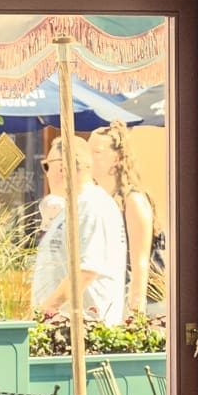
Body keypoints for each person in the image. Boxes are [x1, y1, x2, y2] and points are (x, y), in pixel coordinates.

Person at [30, 135, 126, 324]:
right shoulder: (75, 206)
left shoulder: (92, 205)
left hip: (85, 331)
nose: (46, 174)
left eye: (46, 166)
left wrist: (45, 311)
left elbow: (86, 271)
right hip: (65, 326)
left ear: (61, 168)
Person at [90, 121, 158, 316]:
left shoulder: (133, 200)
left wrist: (135, 315)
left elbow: (139, 263)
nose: (89, 158)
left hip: (135, 303)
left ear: (117, 158)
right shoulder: (97, 199)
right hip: (108, 300)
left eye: (97, 152)